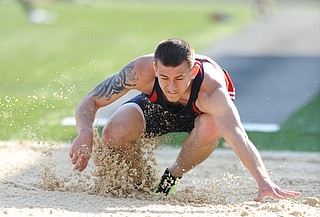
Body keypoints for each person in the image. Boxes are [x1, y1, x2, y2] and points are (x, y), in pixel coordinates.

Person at [69, 38, 300, 202]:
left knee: (212, 125)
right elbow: (90, 100)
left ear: (192, 71)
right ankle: (136, 181)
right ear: (154, 69)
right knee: (113, 132)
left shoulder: (212, 91)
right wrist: (85, 132)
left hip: (200, 113)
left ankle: (172, 176)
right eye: (164, 77)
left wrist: (264, 181)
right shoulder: (140, 70)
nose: (171, 87)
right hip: (156, 107)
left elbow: (238, 135)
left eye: (179, 78)